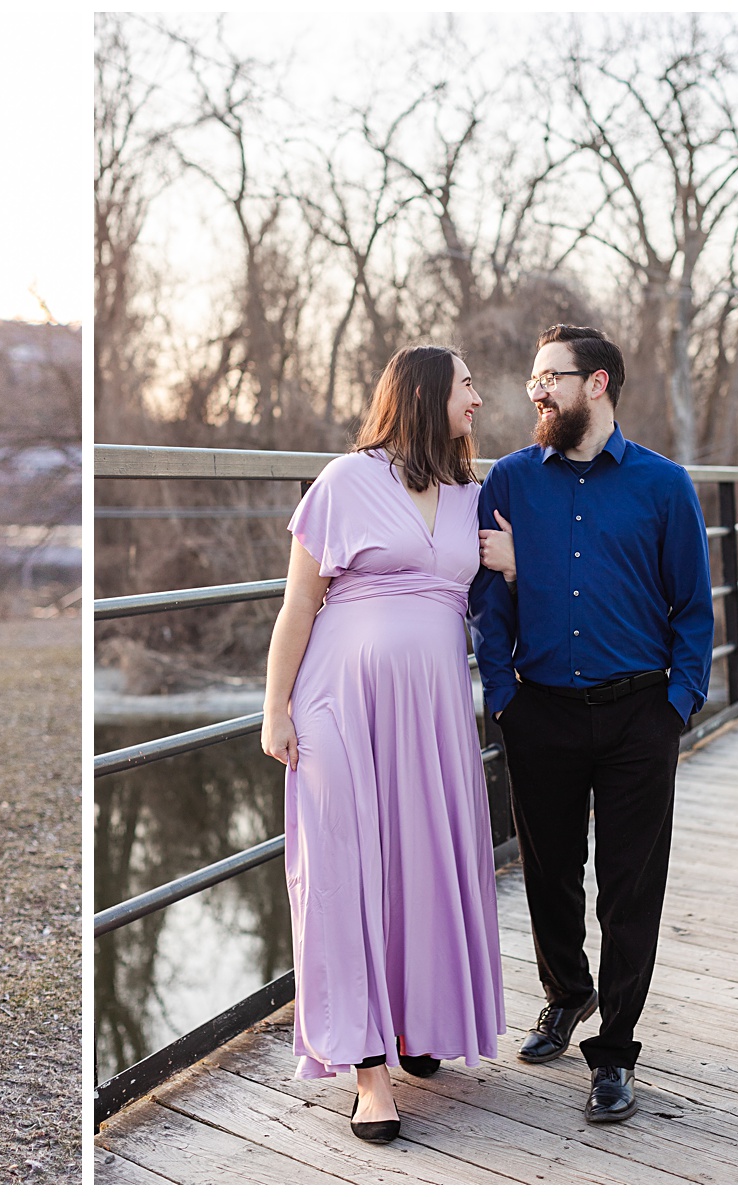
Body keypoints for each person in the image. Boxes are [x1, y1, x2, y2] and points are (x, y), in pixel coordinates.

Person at [261, 345, 506, 1144]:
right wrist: (276, 709)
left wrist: (520, 556)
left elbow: (501, 578)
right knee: (346, 874)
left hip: (434, 716)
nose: (479, 397)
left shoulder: (473, 493)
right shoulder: (343, 481)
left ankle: (418, 1022)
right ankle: (368, 1073)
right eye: (468, 384)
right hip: (341, 705)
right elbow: (298, 607)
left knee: (428, 864)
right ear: (430, 393)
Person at [469, 324, 713, 1124]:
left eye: (552, 377)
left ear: (598, 383)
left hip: (641, 711)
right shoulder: (506, 481)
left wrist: (676, 707)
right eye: (533, 378)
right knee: (549, 874)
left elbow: (693, 609)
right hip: (538, 709)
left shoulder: (664, 485)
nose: (536, 391)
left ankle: (615, 1051)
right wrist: (504, 693)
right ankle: (564, 997)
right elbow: (488, 601)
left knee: (631, 887)